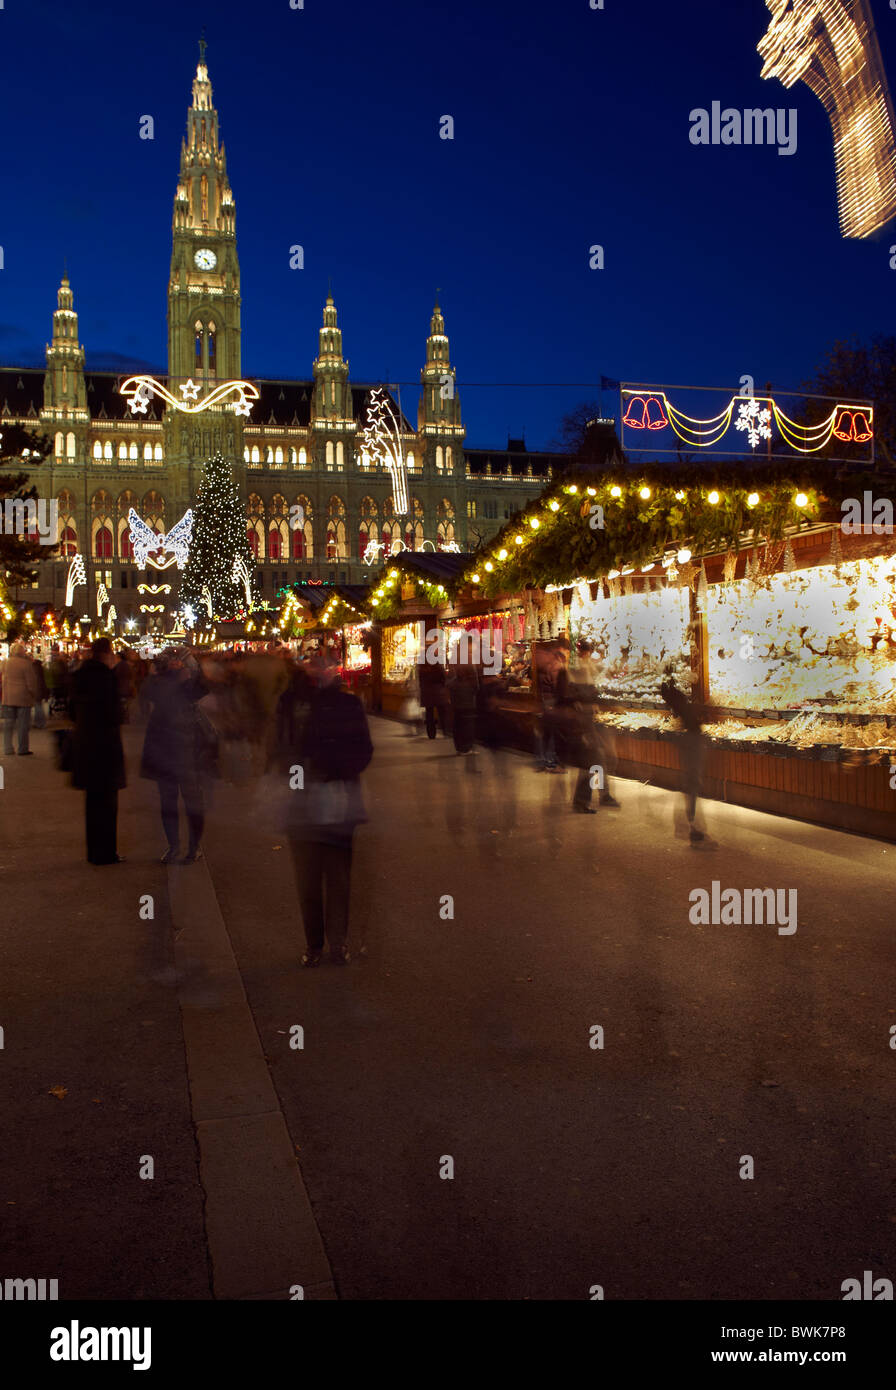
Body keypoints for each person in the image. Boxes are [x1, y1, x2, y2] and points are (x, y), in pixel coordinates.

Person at [281, 660, 373, 967]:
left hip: (329, 802)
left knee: (329, 879)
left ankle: (328, 945)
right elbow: (283, 751)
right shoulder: (295, 704)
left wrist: (327, 774)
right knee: (322, 879)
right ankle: (323, 945)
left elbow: (362, 749)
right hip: (322, 802)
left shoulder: (338, 705)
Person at [140, 647, 209, 864]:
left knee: (180, 801)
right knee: (182, 801)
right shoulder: (166, 685)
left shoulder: (180, 685)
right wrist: (187, 665)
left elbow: (202, 686)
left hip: (176, 750)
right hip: (179, 750)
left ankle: (183, 846)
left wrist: (187, 666)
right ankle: (183, 846)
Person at [69, 637, 126, 864]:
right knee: (107, 803)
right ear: (107, 653)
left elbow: (72, 711)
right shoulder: (106, 677)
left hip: (85, 744)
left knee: (92, 803)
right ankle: (106, 853)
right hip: (105, 746)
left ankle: (93, 852)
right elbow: (115, 714)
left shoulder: (79, 676)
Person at [660, 676, 716, 847]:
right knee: (693, 785)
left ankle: (692, 828)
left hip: (691, 742)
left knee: (691, 785)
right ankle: (694, 829)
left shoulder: (678, 704)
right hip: (693, 742)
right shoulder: (680, 703)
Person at [1, 640, 40, 756]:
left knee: (8, 724)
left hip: (8, 697)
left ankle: (8, 748)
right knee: (23, 725)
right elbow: (31, 683)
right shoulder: (26, 664)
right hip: (23, 698)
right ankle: (22, 749)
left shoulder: (5, 663)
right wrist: (33, 694)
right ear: (22, 652)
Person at [418, 644, 451, 739]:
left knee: (429, 714)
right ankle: (445, 731)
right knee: (442, 713)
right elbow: (444, 677)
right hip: (438, 692)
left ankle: (431, 734)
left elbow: (420, 680)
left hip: (427, 692)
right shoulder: (437, 664)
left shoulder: (422, 666)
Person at [448, 661, 479, 754]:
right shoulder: (470, 665)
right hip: (467, 701)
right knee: (467, 724)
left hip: (457, 702)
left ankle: (459, 747)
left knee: (458, 724)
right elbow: (476, 687)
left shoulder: (454, 678)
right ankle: (466, 748)